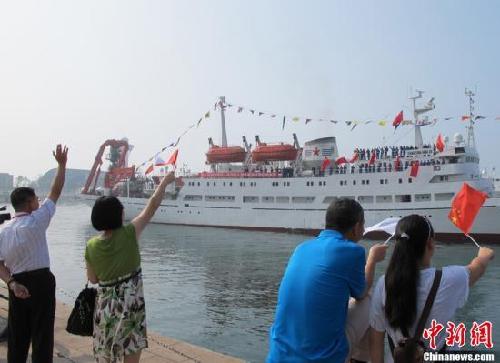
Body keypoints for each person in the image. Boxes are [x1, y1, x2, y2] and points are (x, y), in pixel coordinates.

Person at [266, 198, 388, 363]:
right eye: (363, 225)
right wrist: (372, 259)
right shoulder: (353, 251)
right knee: (372, 297)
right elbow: (361, 292)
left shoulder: (301, 248)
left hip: (279, 357)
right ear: (357, 227)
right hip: (323, 358)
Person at [369, 215, 495, 363]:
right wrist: (484, 256)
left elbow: (376, 341)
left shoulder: (383, 284)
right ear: (430, 243)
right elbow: (477, 268)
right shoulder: (450, 279)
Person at [85, 171, 176, 363]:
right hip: (130, 306)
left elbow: (93, 279)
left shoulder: (91, 245)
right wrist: (165, 182)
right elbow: (151, 206)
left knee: (106, 354)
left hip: (105, 307)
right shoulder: (129, 233)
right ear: (119, 214)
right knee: (130, 355)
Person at [0, 144, 68, 363]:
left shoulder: (3, 230)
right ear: (29, 203)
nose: (39, 201)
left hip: (16, 282)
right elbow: (55, 192)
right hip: (41, 282)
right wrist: (61, 165)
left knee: (18, 334)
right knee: (42, 334)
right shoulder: (37, 220)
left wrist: (11, 283)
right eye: (36, 199)